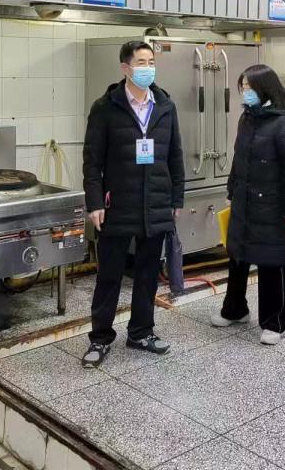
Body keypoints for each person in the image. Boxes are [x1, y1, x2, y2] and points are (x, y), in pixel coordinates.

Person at [81, 40, 184, 366]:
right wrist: (94, 203)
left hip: (156, 202)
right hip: (117, 204)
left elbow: (175, 155)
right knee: (109, 275)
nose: (148, 68)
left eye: (151, 61)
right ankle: (100, 338)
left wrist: (176, 197)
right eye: (141, 62)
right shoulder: (105, 108)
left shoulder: (165, 106)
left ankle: (141, 331)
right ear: (125, 68)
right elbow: (92, 161)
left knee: (148, 274)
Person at [212, 64, 285, 345]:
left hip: (272, 206)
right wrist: (231, 191)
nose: (245, 92)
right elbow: (239, 159)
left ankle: (273, 323)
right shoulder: (247, 118)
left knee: (271, 262)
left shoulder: (282, 124)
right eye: (243, 87)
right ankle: (235, 309)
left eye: (249, 87)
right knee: (237, 257)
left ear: (265, 89)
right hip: (244, 201)